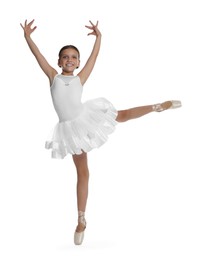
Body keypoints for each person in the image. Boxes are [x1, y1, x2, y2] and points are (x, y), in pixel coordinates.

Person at [20, 19, 181, 245]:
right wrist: (28, 37)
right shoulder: (52, 76)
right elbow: (38, 56)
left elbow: (94, 59)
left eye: (73, 57)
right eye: (65, 56)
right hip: (70, 129)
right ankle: (81, 219)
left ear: (77, 63)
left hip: (86, 117)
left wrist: (99, 38)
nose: (69, 59)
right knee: (83, 173)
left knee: (122, 115)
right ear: (58, 61)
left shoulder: (80, 77)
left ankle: (157, 106)